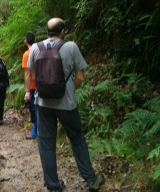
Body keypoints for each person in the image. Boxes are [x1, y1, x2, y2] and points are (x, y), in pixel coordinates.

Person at [28, 18, 105, 192]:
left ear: (47, 31)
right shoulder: (71, 47)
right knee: (77, 138)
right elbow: (80, 78)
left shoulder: (35, 48)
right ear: (62, 31)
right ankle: (91, 179)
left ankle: (53, 185)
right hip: (67, 104)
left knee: (46, 143)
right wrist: (67, 89)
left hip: (43, 103)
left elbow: (34, 76)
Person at [22, 32, 37, 139]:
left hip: (33, 86)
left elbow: (27, 73)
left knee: (33, 109)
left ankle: (35, 132)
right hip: (42, 84)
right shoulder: (40, 51)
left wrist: (27, 91)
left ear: (25, 41)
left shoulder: (27, 54)